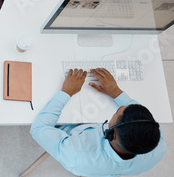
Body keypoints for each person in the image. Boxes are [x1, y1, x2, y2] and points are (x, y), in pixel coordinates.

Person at [30, 68, 166, 176]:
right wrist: (116, 93)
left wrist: (66, 92)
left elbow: (39, 128)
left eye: (118, 112)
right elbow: (139, 117)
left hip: (70, 127)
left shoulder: (77, 154)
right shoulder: (157, 147)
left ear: (110, 134)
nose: (122, 106)